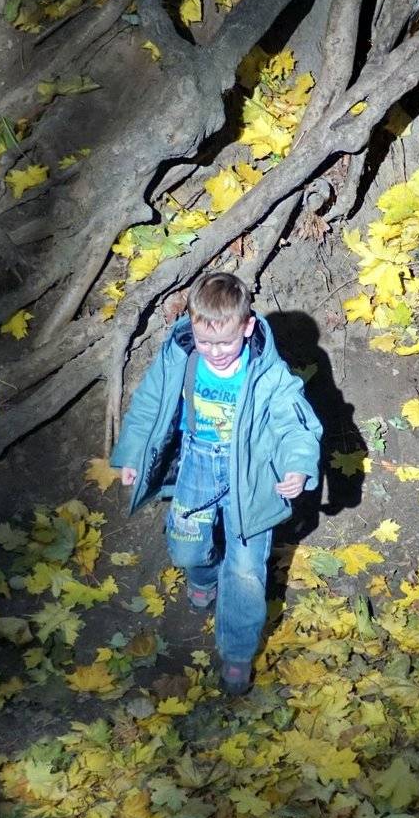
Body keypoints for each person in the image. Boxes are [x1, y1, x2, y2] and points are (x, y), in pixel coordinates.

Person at [111, 271, 322, 696]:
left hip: (252, 475)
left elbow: (294, 425)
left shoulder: (268, 373)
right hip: (198, 463)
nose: (216, 352)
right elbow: (149, 402)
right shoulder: (181, 356)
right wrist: (132, 452)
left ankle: (237, 654)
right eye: (206, 341)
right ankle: (204, 575)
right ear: (192, 326)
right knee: (186, 547)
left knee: (245, 570)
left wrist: (297, 467)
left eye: (225, 343)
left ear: (246, 327)